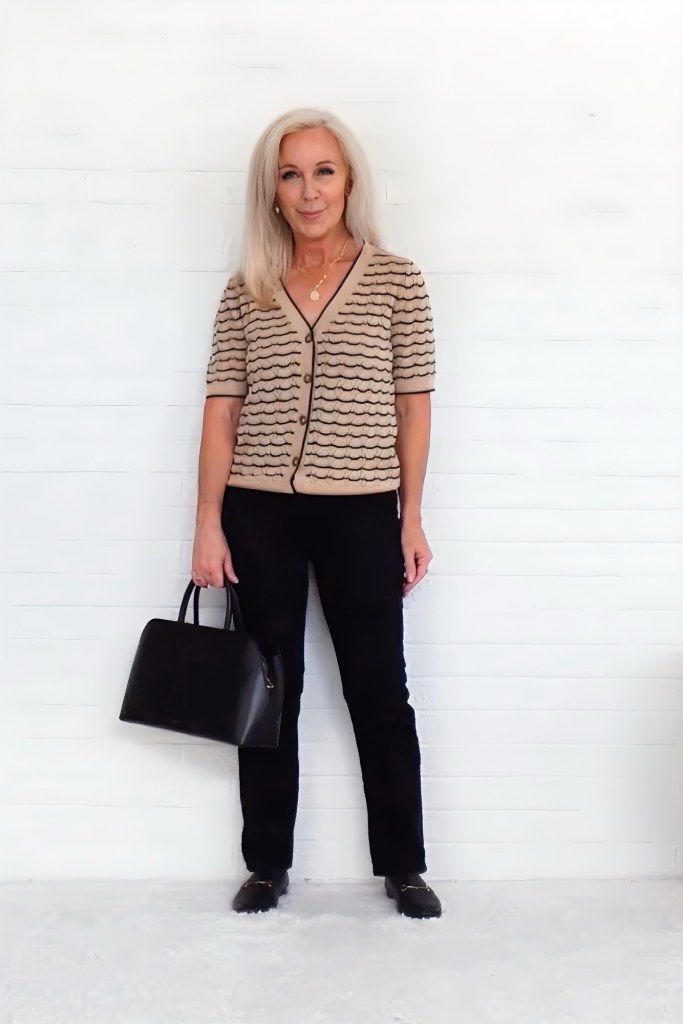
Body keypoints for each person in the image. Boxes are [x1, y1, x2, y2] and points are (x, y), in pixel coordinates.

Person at [191, 107, 441, 919]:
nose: (308, 191)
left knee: (379, 689)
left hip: (361, 512)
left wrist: (409, 516)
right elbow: (222, 412)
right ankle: (266, 863)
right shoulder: (247, 289)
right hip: (257, 513)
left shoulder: (396, 281)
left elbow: (413, 407)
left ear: (348, 180)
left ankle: (403, 865)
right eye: (291, 175)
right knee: (268, 692)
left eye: (322, 171)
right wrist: (207, 523)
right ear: (272, 191)